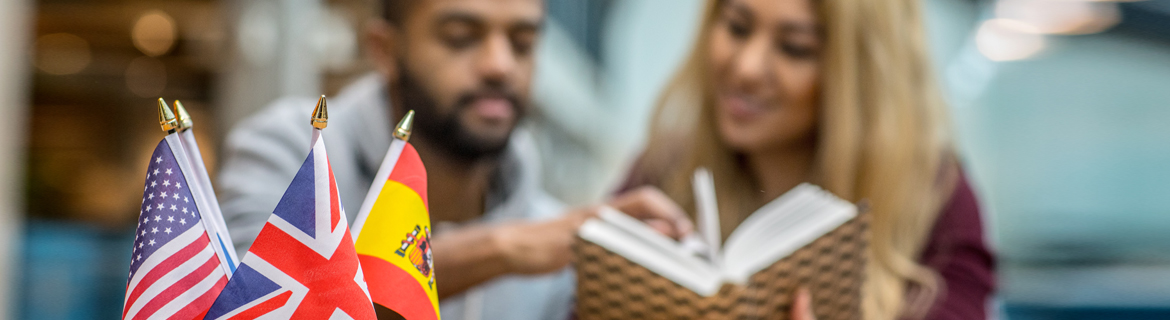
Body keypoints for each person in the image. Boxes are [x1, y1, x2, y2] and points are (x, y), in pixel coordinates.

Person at [215, 0, 684, 319]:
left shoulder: (551, 240)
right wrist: (499, 252)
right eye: (461, 37)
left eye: (522, 42)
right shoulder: (287, 150)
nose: (500, 64)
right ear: (385, 49)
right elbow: (255, 305)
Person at [609, 0, 996, 319]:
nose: (746, 68)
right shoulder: (663, 170)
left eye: (794, 47)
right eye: (737, 27)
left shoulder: (933, 199)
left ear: (859, 74)